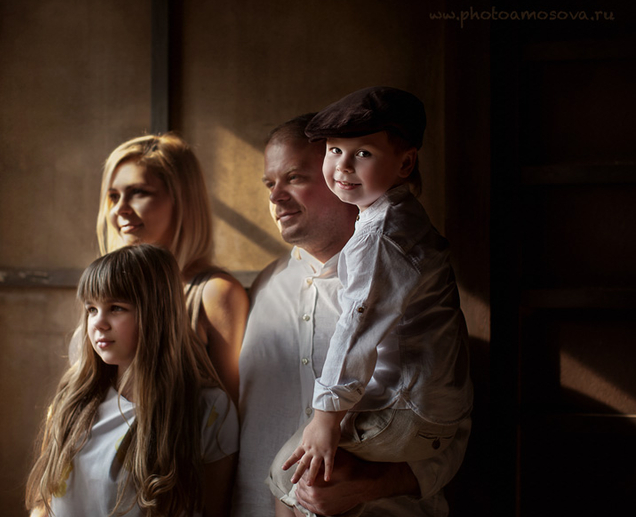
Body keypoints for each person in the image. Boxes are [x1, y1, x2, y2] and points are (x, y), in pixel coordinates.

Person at [233, 113, 472, 517]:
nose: (276, 197)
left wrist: (366, 486)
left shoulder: (407, 287)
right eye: (270, 184)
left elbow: (449, 433)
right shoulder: (261, 289)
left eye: (294, 178)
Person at [27, 244, 238, 517]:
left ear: (157, 313)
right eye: (91, 309)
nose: (98, 323)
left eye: (116, 308)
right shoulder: (71, 399)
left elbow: (215, 509)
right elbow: (44, 504)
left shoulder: (209, 410)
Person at [70, 133, 249, 401]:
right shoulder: (105, 286)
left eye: (138, 193)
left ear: (182, 199)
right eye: (114, 196)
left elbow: (229, 409)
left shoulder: (214, 293)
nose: (119, 209)